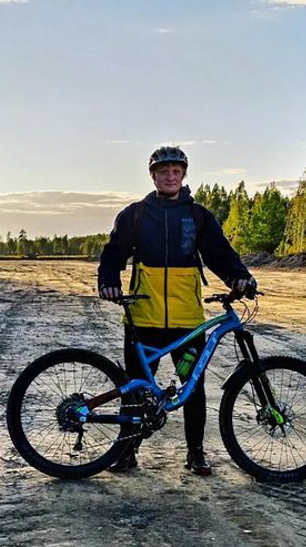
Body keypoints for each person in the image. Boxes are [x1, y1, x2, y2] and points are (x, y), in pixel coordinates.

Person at [97, 145, 256, 475]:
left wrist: (238, 277)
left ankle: (195, 453)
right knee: (137, 389)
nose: (170, 176)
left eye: (175, 171)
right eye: (163, 171)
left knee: (192, 387)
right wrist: (108, 281)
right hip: (144, 315)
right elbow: (114, 252)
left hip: (187, 320)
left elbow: (219, 253)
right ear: (153, 176)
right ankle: (127, 452)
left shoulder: (197, 216)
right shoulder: (135, 214)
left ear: (183, 175)